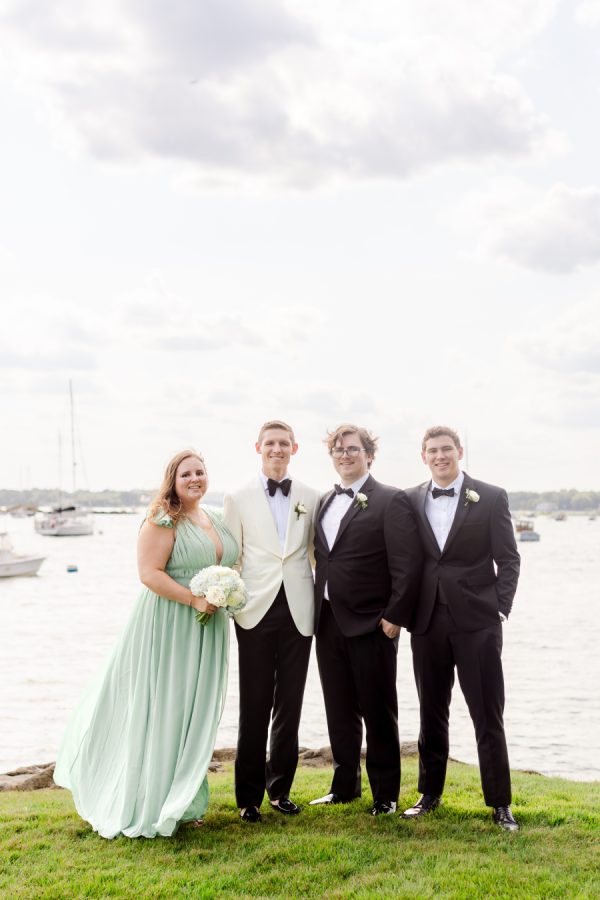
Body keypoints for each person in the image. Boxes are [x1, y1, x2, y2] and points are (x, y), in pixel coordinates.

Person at [54, 450, 238, 839]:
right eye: (186, 474)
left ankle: (185, 799)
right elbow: (149, 573)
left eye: (200, 472)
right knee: (167, 709)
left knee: (195, 714)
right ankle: (153, 801)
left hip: (209, 628)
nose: (195, 479)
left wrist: (228, 592)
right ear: (173, 480)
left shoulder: (215, 518)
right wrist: (193, 600)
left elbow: (231, 564)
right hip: (171, 624)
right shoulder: (162, 519)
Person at [402, 426, 521, 831]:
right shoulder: (410, 499)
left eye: (446, 449)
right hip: (427, 622)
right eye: (433, 451)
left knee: (488, 713)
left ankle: (500, 804)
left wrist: (499, 609)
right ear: (423, 456)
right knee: (431, 711)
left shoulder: (491, 496)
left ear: (459, 451)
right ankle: (429, 794)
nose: (440, 456)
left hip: (478, 623)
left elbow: (509, 559)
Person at [309, 424, 422, 816]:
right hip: (327, 620)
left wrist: (395, 616)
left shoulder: (391, 499)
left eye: (353, 449)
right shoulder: (324, 500)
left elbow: (407, 563)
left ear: (369, 455)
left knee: (378, 710)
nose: (345, 455)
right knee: (338, 708)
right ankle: (344, 787)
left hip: (374, 623)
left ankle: (385, 795)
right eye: (338, 450)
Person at [223, 420, 320, 822]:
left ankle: (280, 791)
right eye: (270, 443)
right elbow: (233, 556)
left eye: (284, 443)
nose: (276, 449)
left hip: (299, 608)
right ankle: (248, 798)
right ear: (258, 447)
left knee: (290, 704)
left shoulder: (311, 496)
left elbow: (316, 554)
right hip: (255, 609)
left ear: (294, 448)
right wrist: (229, 600)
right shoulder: (237, 496)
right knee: (254, 704)